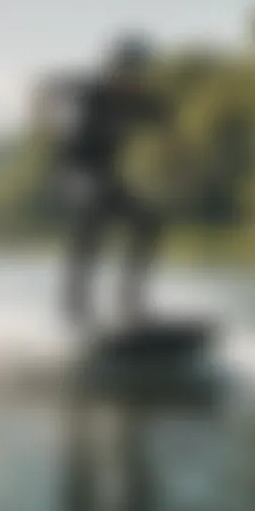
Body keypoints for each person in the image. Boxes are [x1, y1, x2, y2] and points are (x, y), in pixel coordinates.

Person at [36, 32, 170, 328]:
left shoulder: (142, 102)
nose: (134, 78)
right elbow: (47, 86)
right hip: (72, 173)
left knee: (147, 219)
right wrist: (48, 122)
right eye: (128, 71)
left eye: (140, 72)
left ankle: (130, 304)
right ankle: (75, 304)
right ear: (114, 69)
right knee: (92, 205)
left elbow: (171, 126)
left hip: (107, 177)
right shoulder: (90, 90)